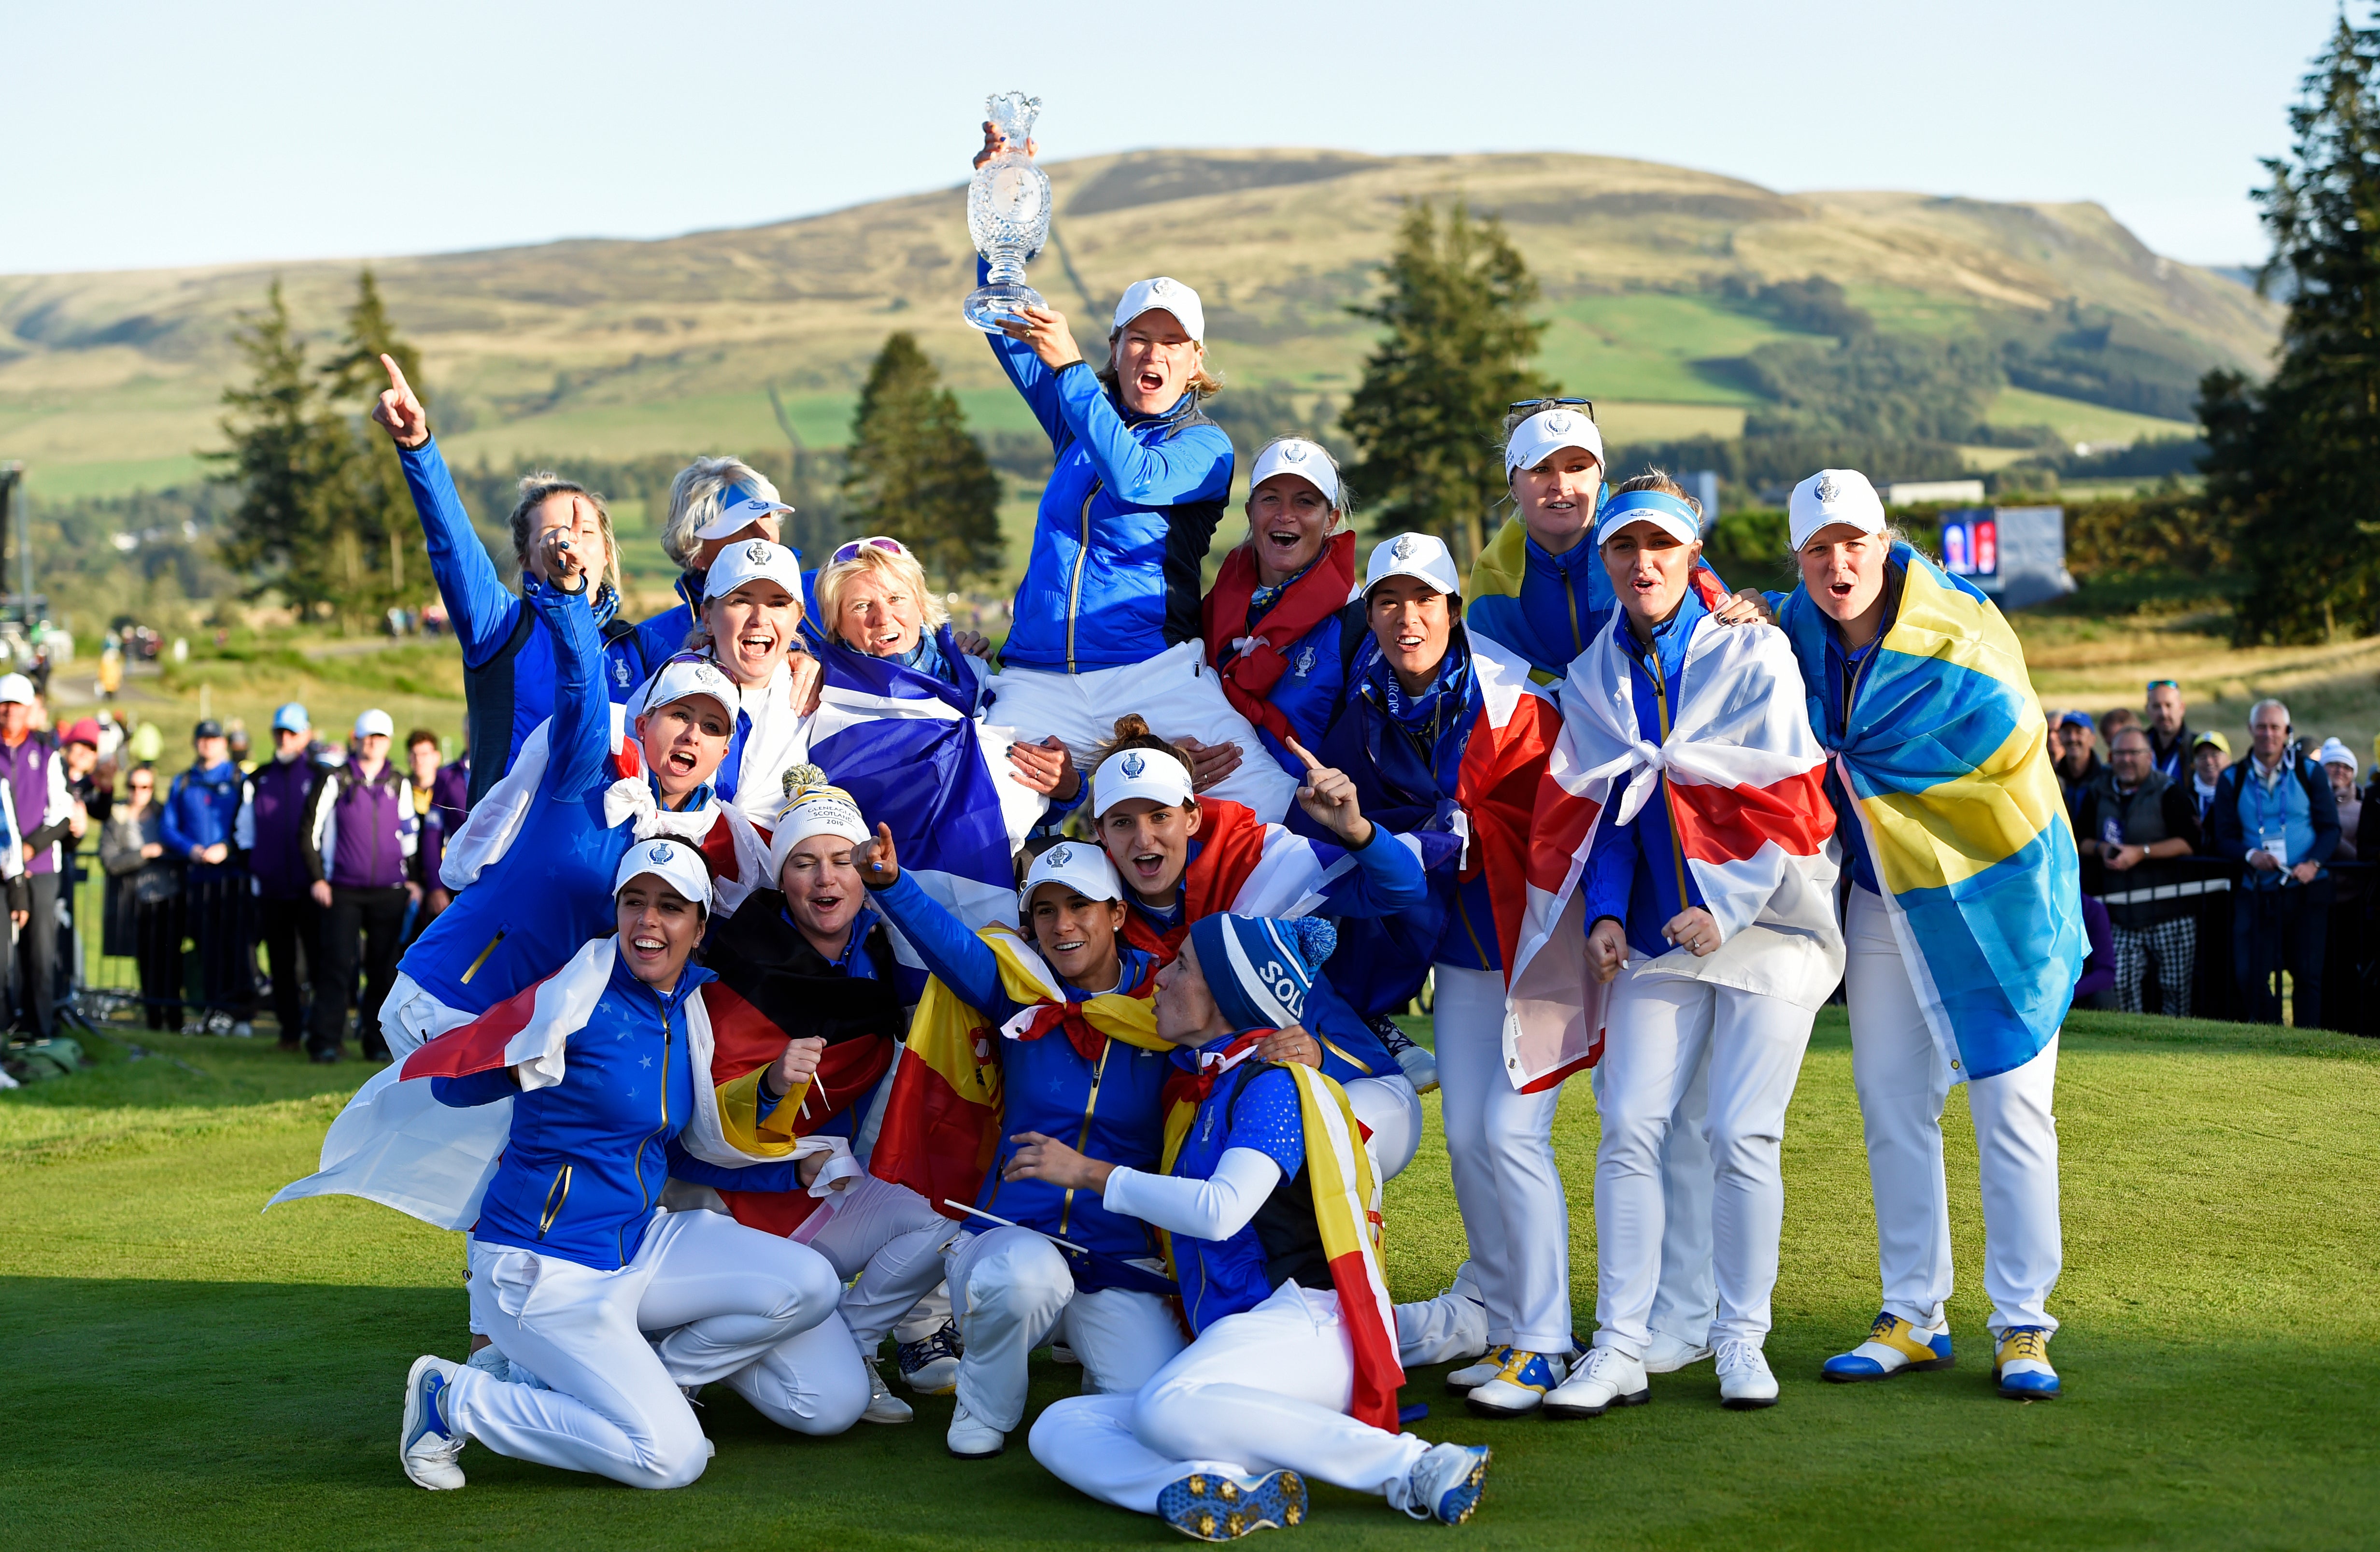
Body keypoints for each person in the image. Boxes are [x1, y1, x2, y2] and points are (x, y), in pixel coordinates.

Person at [1498, 484, 1842, 1419]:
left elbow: (1789, 801)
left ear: (1692, 554)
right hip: (1659, 935)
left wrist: (1724, 910)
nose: (1641, 563)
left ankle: (1741, 1339)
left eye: (1660, 546)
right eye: (1624, 547)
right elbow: (1610, 803)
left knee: (1739, 1131)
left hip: (1770, 926)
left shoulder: (1751, 646)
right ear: (1604, 558)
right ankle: (1620, 1344)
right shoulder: (1595, 670)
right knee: (1629, 1126)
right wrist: (1605, 912)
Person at [396, 841, 864, 1492]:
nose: (648, 922)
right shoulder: (574, 992)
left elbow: (681, 1143)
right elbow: (450, 1083)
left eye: (670, 907)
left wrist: (781, 1152)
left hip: (641, 1244)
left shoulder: (687, 1008)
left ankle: (661, 1378)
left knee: (814, 1286)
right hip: (545, 1267)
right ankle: (457, 1399)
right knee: (674, 1460)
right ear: (615, 913)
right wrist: (518, 1060)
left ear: (700, 927)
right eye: (634, 903)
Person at [1021, 913, 1495, 1535]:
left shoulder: (1269, 1085)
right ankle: (1223, 1492)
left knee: (1167, 1407)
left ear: (1228, 995)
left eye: (1183, 965)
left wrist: (1089, 1174)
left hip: (1307, 1327)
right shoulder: (1212, 1085)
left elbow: (1223, 1211)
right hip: (1254, 1340)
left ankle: (1418, 1466)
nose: (1160, 978)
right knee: (1061, 1425)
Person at [1771, 469, 2081, 1401]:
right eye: (1819, 549)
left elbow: (2006, 749)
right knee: (1889, 1099)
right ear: (1799, 560)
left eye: (1853, 543)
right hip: (1877, 896)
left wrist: (1866, 765)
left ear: (1883, 541)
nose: (1838, 565)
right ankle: (1912, 1312)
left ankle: (2023, 1322)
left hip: (1996, 894)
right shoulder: (1786, 632)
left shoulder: (1964, 628)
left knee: (2010, 1103)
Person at [962, 124, 1298, 823]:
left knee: (1272, 811)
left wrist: (1071, 370)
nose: (1154, 352)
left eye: (1172, 341)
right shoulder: (1078, 419)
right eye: (1138, 338)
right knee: (972, 826)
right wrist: (1002, 213)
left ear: (1195, 363)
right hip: (1037, 680)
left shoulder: (1205, 446)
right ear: (1116, 351)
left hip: (1155, 676)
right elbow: (1003, 320)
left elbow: (1136, 479)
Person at [377, 520, 761, 1065]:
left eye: (712, 727)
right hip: (450, 1001)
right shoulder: (592, 769)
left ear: (723, 754)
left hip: (534, 1035)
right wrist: (571, 599)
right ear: (643, 722)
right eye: (680, 715)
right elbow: (582, 682)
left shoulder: (704, 838)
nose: (692, 734)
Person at [859, 835, 1189, 1460]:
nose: (1062, 925)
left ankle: (1095, 1363)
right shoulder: (1021, 985)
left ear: (1117, 913)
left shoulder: (1168, 999)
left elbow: (1236, 1024)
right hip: (1012, 1236)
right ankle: (986, 1404)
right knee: (1023, 1280)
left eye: (1080, 905)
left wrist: (1295, 1042)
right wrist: (888, 883)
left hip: (1118, 1256)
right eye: (1045, 909)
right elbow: (949, 945)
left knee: (1149, 1406)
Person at [695, 781, 956, 1422]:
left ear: (867, 872)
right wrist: (772, 1087)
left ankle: (852, 1338)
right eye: (804, 862)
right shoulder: (739, 962)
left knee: (945, 1208)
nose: (825, 878)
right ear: (780, 879)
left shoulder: (876, 950)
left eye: (841, 860)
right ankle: (682, 1347)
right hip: (723, 1213)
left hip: (806, 1201)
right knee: (828, 1411)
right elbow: (691, 1126)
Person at [1080, 718, 1431, 1178]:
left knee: (1307, 1150)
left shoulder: (1256, 859)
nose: (1144, 839)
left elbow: (1403, 889)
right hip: (1211, 1111)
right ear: (1101, 834)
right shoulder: (1091, 905)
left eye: (1160, 816)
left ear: (1193, 816)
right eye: (1123, 822)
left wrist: (1357, 830)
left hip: (1343, 1081)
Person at [369, 356, 664, 804]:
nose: (570, 544)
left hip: (612, 866)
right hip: (512, 861)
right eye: (553, 535)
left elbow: (734, 620)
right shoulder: (500, 629)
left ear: (606, 552)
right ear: (528, 560)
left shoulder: (641, 647)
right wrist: (417, 447)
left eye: (585, 533)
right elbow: (453, 546)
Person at [1201, 438, 1362, 782]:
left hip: (1309, 825)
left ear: (1331, 520)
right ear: (1250, 511)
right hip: (1210, 825)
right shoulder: (1211, 610)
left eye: (1305, 502)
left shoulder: (1358, 623)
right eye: (1270, 498)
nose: (1285, 515)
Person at [2205, 698, 2340, 1027]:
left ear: (2287, 732)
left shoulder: (2310, 773)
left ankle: (2308, 1046)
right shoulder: (2232, 778)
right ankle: (2271, 1038)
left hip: (2306, 889)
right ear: (2251, 729)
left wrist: (2314, 864)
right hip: (2255, 891)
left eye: (2275, 727)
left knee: (2308, 976)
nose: (2268, 734)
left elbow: (2330, 828)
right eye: (2262, 727)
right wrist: (2251, 856)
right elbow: (2222, 836)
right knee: (2249, 973)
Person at [302, 710, 419, 1064]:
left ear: (388, 741)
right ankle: (326, 1040)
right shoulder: (336, 779)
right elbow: (310, 830)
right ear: (357, 739)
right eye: (368, 736)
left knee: (384, 970)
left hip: (389, 891)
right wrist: (318, 878)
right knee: (337, 965)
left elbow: (410, 835)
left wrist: (411, 879)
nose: (372, 743)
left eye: (380, 737)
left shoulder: (399, 783)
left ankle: (378, 1041)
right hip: (343, 889)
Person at [2075, 726, 2204, 1017]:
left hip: (2171, 913)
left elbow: (2189, 843)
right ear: (2109, 756)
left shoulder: (2169, 790)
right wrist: (2102, 849)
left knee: (2176, 992)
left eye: (2135, 753)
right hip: (2120, 915)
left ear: (2150, 757)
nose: (2127, 760)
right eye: (2120, 753)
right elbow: (2078, 839)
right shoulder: (2097, 791)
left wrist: (2141, 853)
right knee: (2121, 991)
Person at [642, 455, 797, 665]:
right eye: (739, 526)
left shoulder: (825, 601)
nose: (763, 534)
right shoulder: (651, 641)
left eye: (765, 515)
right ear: (694, 550)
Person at [161, 716, 255, 1035]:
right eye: (203, 738)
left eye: (214, 739)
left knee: (239, 948)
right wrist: (192, 849)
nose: (208, 743)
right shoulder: (184, 781)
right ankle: (215, 1012)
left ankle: (241, 1014)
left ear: (224, 743)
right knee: (208, 948)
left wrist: (227, 848)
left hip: (234, 877)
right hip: (198, 879)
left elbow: (250, 825)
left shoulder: (241, 778)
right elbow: (168, 827)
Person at [240, 703, 322, 1048]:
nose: (285, 739)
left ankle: (321, 1030)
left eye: (292, 732)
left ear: (304, 735)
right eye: (280, 732)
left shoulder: (320, 776)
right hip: (273, 889)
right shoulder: (258, 778)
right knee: (281, 965)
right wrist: (258, 867)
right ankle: (289, 1029)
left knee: (319, 962)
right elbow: (244, 832)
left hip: (312, 888)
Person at [0, 673, 72, 1038]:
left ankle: (40, 1030)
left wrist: (28, 848)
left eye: (16, 706)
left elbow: (62, 812)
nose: (9, 712)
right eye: (4, 705)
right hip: (1, 869)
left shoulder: (46, 752)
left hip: (41, 866)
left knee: (40, 954)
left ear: (29, 710)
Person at [102, 763, 180, 1031]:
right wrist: (143, 854)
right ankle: (154, 1019)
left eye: (145, 787)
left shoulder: (164, 815)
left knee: (171, 961)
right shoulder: (118, 818)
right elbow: (111, 861)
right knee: (147, 962)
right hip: (136, 900)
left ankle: (176, 1018)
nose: (138, 793)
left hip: (169, 896)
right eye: (133, 787)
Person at [402, 728, 457, 940]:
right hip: (413, 880)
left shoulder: (450, 789)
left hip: (445, 879)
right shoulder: (401, 790)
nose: (419, 760)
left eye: (425, 754)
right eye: (414, 755)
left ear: (437, 756)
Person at [2052, 712, 2102, 819]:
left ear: (2092, 739)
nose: (2072, 738)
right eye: (2067, 732)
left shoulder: (2105, 781)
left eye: (2079, 732)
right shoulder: (2052, 779)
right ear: (2060, 738)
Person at [2144, 681, 2194, 784]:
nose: (2163, 713)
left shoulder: (2198, 749)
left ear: (2182, 708)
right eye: (2156, 706)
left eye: (2169, 705)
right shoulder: (2137, 749)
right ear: (2147, 710)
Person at [2189, 731, 2231, 824]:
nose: (2209, 761)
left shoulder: (2239, 792)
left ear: (2229, 759)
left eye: (2214, 755)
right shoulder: (2186, 798)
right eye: (2202, 757)